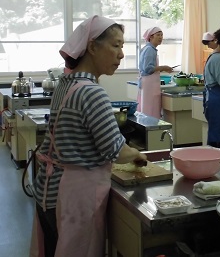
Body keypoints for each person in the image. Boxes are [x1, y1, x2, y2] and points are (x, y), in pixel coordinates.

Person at [30, 15, 147, 257]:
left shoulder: (65, 83)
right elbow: (117, 150)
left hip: (47, 190)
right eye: (116, 45)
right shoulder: (93, 92)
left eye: (122, 47)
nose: (121, 54)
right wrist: (137, 154)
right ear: (92, 46)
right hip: (74, 197)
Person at [137, 27, 174, 119]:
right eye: (158, 35)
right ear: (151, 37)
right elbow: (148, 68)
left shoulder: (149, 48)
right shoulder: (150, 50)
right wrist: (164, 67)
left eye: (161, 35)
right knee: (150, 110)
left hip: (148, 84)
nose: (160, 37)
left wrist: (162, 69)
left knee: (147, 109)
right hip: (149, 85)